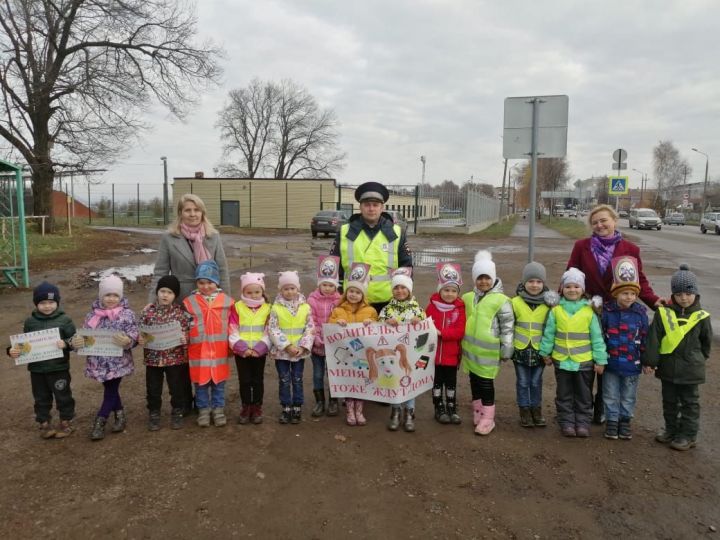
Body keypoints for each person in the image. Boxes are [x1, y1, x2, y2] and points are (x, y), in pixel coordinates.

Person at [566, 204, 661, 425]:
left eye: (604, 221)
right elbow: (571, 273)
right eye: (595, 222)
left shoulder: (630, 249)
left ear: (614, 221)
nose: (600, 225)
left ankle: (602, 408)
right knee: (589, 361)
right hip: (588, 311)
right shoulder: (582, 246)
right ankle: (584, 407)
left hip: (617, 314)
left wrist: (654, 301)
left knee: (610, 361)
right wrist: (560, 300)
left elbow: (640, 281)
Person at [642, 264, 712, 451]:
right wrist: (650, 362)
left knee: (690, 403)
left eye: (688, 294)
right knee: (670, 401)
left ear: (695, 294)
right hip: (668, 367)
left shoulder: (702, 316)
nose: (684, 298)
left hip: (691, 369)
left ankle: (688, 435)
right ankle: (671, 430)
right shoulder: (663, 314)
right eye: (679, 294)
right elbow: (654, 339)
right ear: (673, 295)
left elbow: (706, 343)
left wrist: (697, 359)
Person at [539, 268, 608, 438]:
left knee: (584, 395)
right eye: (568, 286)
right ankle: (567, 422)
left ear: (583, 290)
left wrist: (600, 361)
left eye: (576, 286)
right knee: (564, 394)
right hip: (562, 361)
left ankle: (583, 422)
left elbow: (597, 338)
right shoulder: (556, 310)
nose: (572, 290)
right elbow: (549, 334)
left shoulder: (589, 312)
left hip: (584, 363)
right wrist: (545, 353)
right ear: (562, 289)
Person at [7, 282, 77, 439]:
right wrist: (12, 351)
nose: (47, 306)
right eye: (42, 303)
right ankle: (44, 423)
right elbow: (23, 344)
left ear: (57, 302)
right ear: (36, 303)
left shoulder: (65, 320)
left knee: (63, 395)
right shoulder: (30, 322)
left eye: (51, 302)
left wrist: (66, 343)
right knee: (41, 397)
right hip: (37, 369)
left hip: (59, 368)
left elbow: (75, 341)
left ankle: (66, 421)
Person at [330, 181, 413, 314]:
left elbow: (406, 266)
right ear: (360, 207)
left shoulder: (396, 232)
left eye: (375, 205)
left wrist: (404, 295)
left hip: (388, 302)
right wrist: (338, 293)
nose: (371, 208)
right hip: (353, 300)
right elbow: (333, 264)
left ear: (382, 207)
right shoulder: (345, 231)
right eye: (367, 205)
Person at [74, 275, 138, 441]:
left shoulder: (127, 315)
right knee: (111, 389)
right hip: (98, 361)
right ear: (101, 295)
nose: (111, 299)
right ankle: (120, 415)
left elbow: (133, 333)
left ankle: (100, 421)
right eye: (108, 295)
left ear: (121, 296)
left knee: (110, 390)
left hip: (118, 361)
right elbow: (84, 334)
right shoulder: (92, 316)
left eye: (115, 295)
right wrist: (77, 342)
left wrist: (128, 340)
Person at [461, 250, 514, 436]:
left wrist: (507, 347)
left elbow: (507, 326)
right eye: (479, 278)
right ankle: (478, 410)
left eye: (487, 278)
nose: (483, 282)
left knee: (485, 383)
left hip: (489, 353)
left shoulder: (502, 301)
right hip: (470, 351)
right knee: (474, 381)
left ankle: (488, 418)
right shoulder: (467, 297)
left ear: (493, 278)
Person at [149, 193, 231, 304]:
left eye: (196, 210)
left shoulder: (213, 236)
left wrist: (226, 301)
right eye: (188, 210)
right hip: (181, 299)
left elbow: (222, 271)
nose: (192, 214)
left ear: (202, 213)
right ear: (180, 213)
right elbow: (160, 272)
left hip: (209, 299)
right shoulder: (169, 238)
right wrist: (153, 301)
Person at [601, 256, 649, 440]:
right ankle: (612, 422)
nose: (628, 297)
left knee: (629, 396)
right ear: (615, 294)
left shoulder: (640, 314)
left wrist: (647, 361)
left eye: (632, 294)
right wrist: (600, 358)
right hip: (611, 363)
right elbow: (600, 337)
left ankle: (625, 421)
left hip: (632, 365)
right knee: (610, 394)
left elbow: (645, 338)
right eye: (624, 293)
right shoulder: (607, 313)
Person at [137, 275, 193, 431]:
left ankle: (177, 411)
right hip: (153, 359)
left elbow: (188, 333)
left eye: (169, 292)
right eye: (162, 291)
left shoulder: (181, 314)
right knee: (153, 388)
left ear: (175, 296)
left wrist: (185, 338)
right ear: (157, 292)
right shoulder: (148, 313)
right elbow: (140, 332)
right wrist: (140, 339)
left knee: (177, 387)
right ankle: (154, 413)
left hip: (175, 359)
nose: (165, 295)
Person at [183, 260, 234, 428]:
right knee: (200, 384)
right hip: (198, 353)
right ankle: (203, 410)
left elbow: (233, 325)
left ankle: (218, 410)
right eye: (201, 282)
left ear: (217, 282)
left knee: (219, 384)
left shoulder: (227, 302)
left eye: (210, 282)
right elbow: (183, 325)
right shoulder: (189, 302)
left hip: (219, 353)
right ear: (197, 283)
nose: (206, 286)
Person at [328, 263, 378, 426]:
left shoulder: (370, 311)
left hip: (362, 355)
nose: (354, 295)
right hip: (346, 355)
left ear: (363, 295)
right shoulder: (338, 310)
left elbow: (378, 329)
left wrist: (372, 323)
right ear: (346, 292)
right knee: (349, 382)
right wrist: (337, 322)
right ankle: (350, 410)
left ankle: (359, 411)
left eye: (357, 292)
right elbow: (330, 327)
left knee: (362, 382)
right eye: (351, 291)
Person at [510, 262, 557, 428]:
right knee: (523, 381)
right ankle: (524, 410)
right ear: (524, 283)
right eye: (531, 281)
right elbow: (509, 326)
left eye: (538, 281)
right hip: (520, 349)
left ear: (543, 283)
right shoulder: (514, 302)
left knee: (536, 382)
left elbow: (552, 329)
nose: (534, 285)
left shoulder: (549, 304)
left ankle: (536, 410)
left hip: (540, 351)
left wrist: (550, 351)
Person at [378, 269, 426, 432]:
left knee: (409, 382)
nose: (400, 291)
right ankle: (395, 410)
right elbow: (377, 327)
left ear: (409, 290)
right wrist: (385, 321)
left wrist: (419, 321)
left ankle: (410, 412)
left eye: (403, 287)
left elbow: (426, 328)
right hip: (392, 354)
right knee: (394, 382)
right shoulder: (386, 310)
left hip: (411, 354)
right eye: (396, 288)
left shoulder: (417, 310)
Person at [268, 271, 315, 425]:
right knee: (284, 379)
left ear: (298, 289)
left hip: (298, 352)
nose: (289, 292)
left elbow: (310, 328)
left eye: (292, 288)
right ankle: (286, 406)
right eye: (286, 288)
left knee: (297, 378)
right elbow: (273, 329)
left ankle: (297, 405)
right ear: (280, 290)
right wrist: (286, 346)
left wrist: (302, 347)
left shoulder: (306, 307)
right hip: (282, 351)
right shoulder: (275, 308)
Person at [425, 262, 466, 425]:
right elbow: (425, 325)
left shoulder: (459, 309)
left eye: (453, 291)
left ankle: (451, 407)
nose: (450, 294)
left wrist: (442, 333)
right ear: (440, 290)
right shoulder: (431, 307)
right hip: (434, 356)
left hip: (451, 355)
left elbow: (459, 331)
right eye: (446, 290)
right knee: (436, 383)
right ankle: (438, 407)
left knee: (451, 383)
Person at [228, 272, 271, 425]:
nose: (253, 295)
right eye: (249, 292)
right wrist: (242, 348)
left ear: (262, 292)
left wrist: (259, 349)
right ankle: (246, 406)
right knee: (244, 380)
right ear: (243, 292)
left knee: (257, 380)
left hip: (259, 352)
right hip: (243, 353)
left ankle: (257, 407)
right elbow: (232, 330)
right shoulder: (237, 307)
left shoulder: (268, 309)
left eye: (257, 292)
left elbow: (269, 331)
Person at [307, 256, 342, 417]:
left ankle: (333, 401)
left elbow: (342, 319)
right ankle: (320, 401)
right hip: (317, 345)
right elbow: (310, 321)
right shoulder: (312, 300)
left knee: (333, 373)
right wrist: (316, 339)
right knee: (318, 374)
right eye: (325, 285)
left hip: (334, 346)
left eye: (331, 285)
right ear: (319, 284)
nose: (327, 288)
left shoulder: (339, 301)